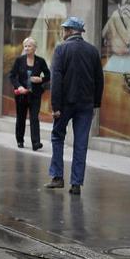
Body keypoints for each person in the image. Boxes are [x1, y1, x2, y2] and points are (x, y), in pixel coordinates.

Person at [45, 17, 104, 195]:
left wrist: (55, 107)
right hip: (86, 105)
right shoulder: (93, 51)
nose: (62, 33)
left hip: (65, 104)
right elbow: (100, 80)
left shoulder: (61, 50)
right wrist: (95, 104)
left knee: (57, 136)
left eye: (64, 30)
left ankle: (57, 177)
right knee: (81, 143)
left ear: (70, 31)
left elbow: (56, 80)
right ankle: (76, 183)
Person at [8, 37, 50, 151]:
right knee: (21, 118)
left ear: (35, 48)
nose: (27, 48)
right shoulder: (19, 60)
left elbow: (48, 76)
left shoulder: (40, 61)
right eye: (25, 46)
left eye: (29, 46)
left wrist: (40, 79)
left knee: (34, 118)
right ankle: (20, 140)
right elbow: (12, 76)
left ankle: (36, 143)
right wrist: (19, 86)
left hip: (35, 94)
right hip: (21, 95)